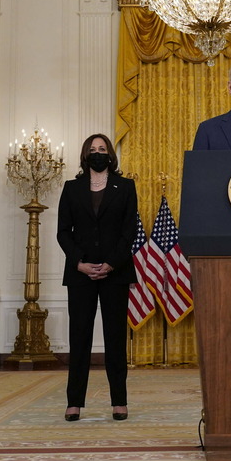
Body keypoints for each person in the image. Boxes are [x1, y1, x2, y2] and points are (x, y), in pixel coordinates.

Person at [57, 133, 138, 422]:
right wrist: (79, 263)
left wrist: (111, 263)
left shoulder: (126, 187)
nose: (98, 153)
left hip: (115, 273)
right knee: (79, 338)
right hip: (80, 274)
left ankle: (119, 401)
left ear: (111, 155)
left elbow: (130, 231)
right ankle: (74, 402)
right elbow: (63, 231)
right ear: (84, 155)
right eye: (93, 149)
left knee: (115, 338)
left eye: (103, 149)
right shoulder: (71, 187)